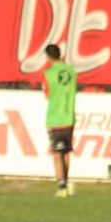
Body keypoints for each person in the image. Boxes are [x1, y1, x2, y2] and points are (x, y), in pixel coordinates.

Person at [42, 44, 77, 199]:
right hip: (69, 117)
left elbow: (47, 94)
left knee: (57, 154)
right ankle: (66, 184)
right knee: (66, 152)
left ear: (48, 57)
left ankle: (61, 186)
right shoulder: (71, 70)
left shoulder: (48, 73)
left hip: (55, 118)